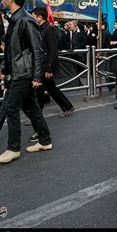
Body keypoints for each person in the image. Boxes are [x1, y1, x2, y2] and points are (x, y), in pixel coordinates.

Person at [0, 0, 52, 164]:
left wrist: (36, 76)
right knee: (32, 108)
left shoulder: (26, 20)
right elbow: (13, 52)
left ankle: (13, 148)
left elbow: (37, 50)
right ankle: (45, 140)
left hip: (24, 74)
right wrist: (3, 69)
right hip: (19, 72)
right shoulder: (15, 20)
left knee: (11, 108)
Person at [29, 7, 75, 142]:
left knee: (38, 94)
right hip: (41, 66)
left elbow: (53, 51)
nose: (32, 18)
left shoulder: (49, 29)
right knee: (52, 89)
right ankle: (67, 106)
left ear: (39, 17)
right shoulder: (40, 29)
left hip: (45, 68)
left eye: (33, 16)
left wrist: (49, 69)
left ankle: (36, 120)